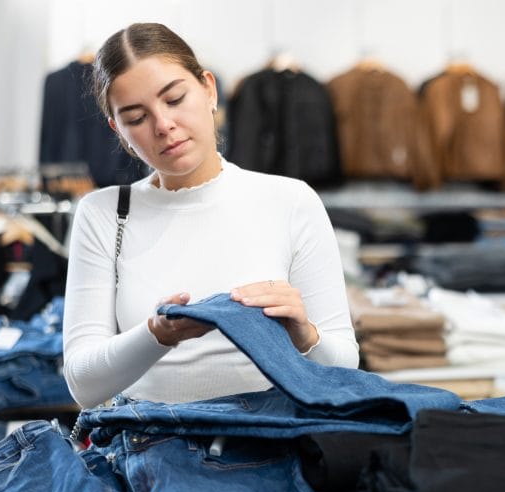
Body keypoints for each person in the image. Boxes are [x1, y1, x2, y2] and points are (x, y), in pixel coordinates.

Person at [63, 23, 359, 408]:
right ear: (118, 132)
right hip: (149, 451)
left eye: (174, 99)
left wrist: (305, 335)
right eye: (136, 118)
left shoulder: (290, 201)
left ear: (208, 89)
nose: (163, 126)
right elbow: (83, 385)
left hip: (268, 450)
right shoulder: (103, 214)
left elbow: (345, 369)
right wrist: (157, 334)